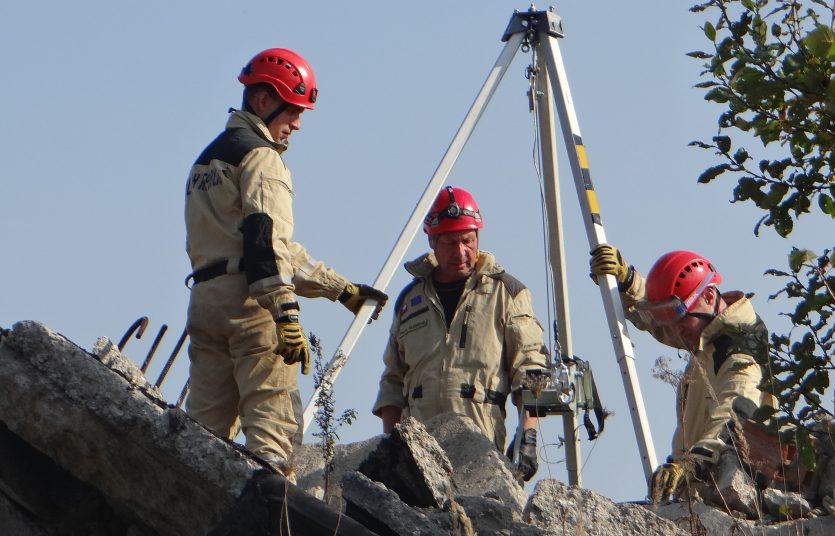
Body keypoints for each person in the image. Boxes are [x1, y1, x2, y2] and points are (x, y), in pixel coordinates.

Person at [183, 47, 387, 468]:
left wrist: (339, 289)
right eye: (293, 110)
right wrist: (286, 313)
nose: (296, 124)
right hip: (251, 308)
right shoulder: (262, 157)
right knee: (272, 441)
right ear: (263, 101)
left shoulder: (208, 159)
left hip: (205, 304)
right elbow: (265, 244)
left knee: (200, 438)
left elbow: (266, 244)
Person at [372, 186, 548, 481]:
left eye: (468, 240)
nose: (461, 251)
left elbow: (531, 367)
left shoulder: (507, 293)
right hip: (418, 449)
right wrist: (389, 446)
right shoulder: (410, 300)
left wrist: (528, 434)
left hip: (481, 445)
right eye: (451, 242)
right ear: (432, 241)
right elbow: (393, 379)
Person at [589, 244, 772, 503]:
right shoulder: (708, 330)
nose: (675, 332)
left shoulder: (739, 355)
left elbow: (733, 421)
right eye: (669, 320)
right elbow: (660, 321)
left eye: (679, 318)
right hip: (700, 493)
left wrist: (690, 465)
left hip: (730, 499)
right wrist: (627, 283)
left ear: (709, 296)